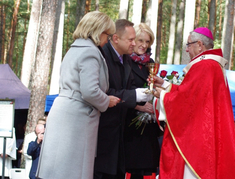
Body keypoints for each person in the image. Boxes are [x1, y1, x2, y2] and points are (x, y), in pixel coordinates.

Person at [36, 11, 121, 179]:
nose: (107, 40)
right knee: (72, 171)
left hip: (65, 110)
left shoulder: (75, 48)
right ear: (98, 31)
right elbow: (89, 91)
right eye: (107, 35)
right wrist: (107, 101)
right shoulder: (90, 52)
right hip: (77, 116)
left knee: (56, 169)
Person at [152, 27, 235, 178]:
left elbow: (186, 104)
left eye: (188, 45)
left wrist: (162, 95)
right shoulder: (212, 65)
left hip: (197, 139)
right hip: (204, 133)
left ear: (199, 45)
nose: (187, 50)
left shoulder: (204, 66)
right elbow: (191, 95)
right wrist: (166, 85)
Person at [93, 19, 153, 179]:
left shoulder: (125, 58)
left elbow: (129, 87)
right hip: (104, 134)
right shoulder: (102, 56)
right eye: (132, 40)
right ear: (116, 38)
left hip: (119, 134)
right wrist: (136, 97)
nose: (134, 44)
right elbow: (103, 92)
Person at [124, 23, 160, 179]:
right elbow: (119, 90)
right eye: (141, 40)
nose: (144, 45)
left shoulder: (150, 63)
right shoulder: (125, 61)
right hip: (128, 122)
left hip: (147, 125)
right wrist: (139, 107)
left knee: (146, 168)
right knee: (130, 167)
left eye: (147, 42)